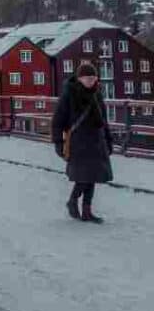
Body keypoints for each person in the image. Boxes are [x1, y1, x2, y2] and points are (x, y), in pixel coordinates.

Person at [52, 62, 114, 223]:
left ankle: (87, 211)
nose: (91, 81)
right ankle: (73, 201)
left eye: (93, 78)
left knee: (93, 177)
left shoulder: (97, 94)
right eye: (87, 78)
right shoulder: (69, 94)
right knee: (83, 177)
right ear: (79, 78)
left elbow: (104, 120)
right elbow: (57, 121)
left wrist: (108, 140)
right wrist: (58, 143)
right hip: (78, 142)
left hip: (97, 141)